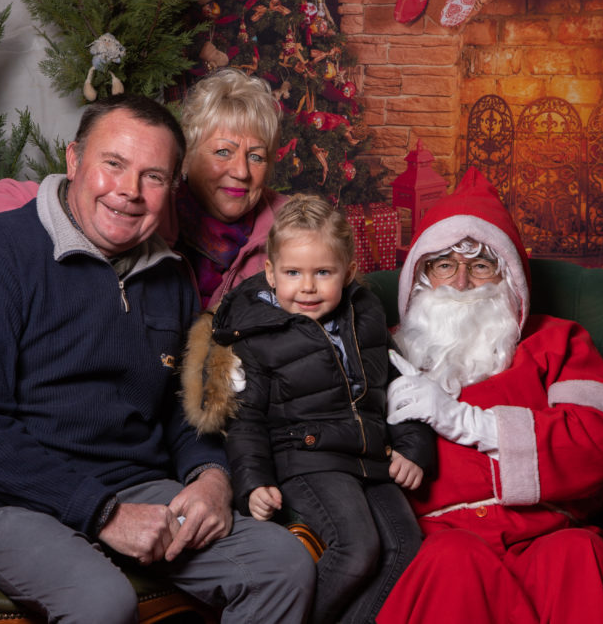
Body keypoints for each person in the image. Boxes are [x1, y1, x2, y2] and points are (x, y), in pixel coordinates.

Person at [0, 94, 315, 624]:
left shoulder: (169, 277)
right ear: (74, 160)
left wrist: (212, 477)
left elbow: (186, 409)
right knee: (100, 601)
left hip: (130, 485)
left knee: (282, 565)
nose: (129, 191)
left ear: (172, 188)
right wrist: (103, 514)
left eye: (153, 177)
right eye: (114, 164)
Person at [374, 168, 603, 624]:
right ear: (421, 276)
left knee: (577, 553)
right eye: (444, 266)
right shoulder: (384, 354)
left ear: (507, 275)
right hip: (439, 541)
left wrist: (467, 423)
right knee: (453, 561)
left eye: (480, 266)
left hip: (547, 532)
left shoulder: (559, 343)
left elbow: (598, 442)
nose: (462, 283)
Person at [182, 194, 434, 624]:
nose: (308, 287)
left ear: (348, 272)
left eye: (323, 273)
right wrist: (254, 483)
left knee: (404, 547)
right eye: (293, 273)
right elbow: (246, 422)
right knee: (356, 548)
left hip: (371, 459)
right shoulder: (257, 334)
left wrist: (413, 448)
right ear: (271, 273)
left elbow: (401, 384)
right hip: (307, 459)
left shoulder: (365, 315)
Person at [0, 67, 287, 310]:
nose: (241, 171)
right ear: (186, 158)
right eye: (223, 152)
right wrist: (62, 263)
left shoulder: (292, 227)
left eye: (256, 157)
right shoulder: (148, 199)